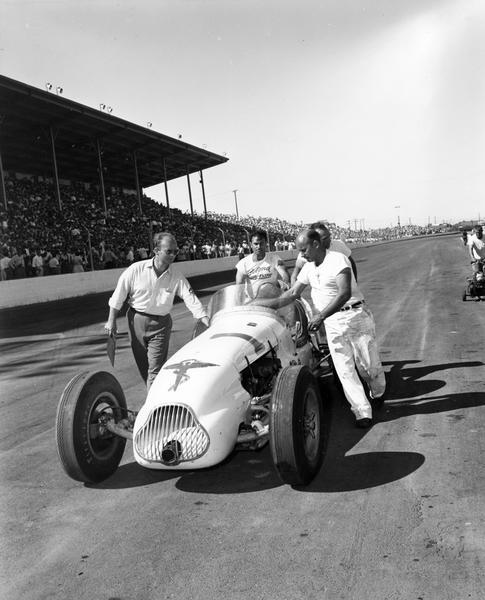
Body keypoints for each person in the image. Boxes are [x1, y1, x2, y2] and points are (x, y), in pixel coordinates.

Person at [254, 228, 385, 428]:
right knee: (344, 369)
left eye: (304, 249)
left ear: (316, 244)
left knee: (367, 366)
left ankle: (378, 392)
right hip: (332, 323)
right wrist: (261, 304)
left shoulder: (338, 260)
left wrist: (321, 315)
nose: (301, 254)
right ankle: (362, 412)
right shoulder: (308, 267)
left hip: (355, 316)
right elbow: (291, 294)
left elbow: (344, 293)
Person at [105, 232, 210, 390]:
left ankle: (152, 406)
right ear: (156, 251)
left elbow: (190, 297)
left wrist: (204, 318)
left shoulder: (176, 275)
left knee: (155, 371)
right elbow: (118, 295)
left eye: (176, 251)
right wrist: (111, 321)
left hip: (160, 325)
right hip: (135, 322)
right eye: (169, 251)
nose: (174, 255)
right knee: (144, 368)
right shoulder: (136, 269)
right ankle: (152, 397)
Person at [291, 221, 358, 285]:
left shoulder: (339, 245)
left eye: (329, 236)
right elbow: (295, 275)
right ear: (316, 241)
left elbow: (351, 262)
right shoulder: (306, 253)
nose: (329, 239)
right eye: (325, 238)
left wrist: (355, 281)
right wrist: (295, 292)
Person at [235, 229, 290, 297]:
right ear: (250, 244)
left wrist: (284, 287)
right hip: (253, 302)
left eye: (261, 243)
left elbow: (285, 275)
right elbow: (239, 284)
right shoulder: (243, 263)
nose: (259, 247)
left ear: (266, 243)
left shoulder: (275, 259)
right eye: (256, 244)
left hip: (272, 299)